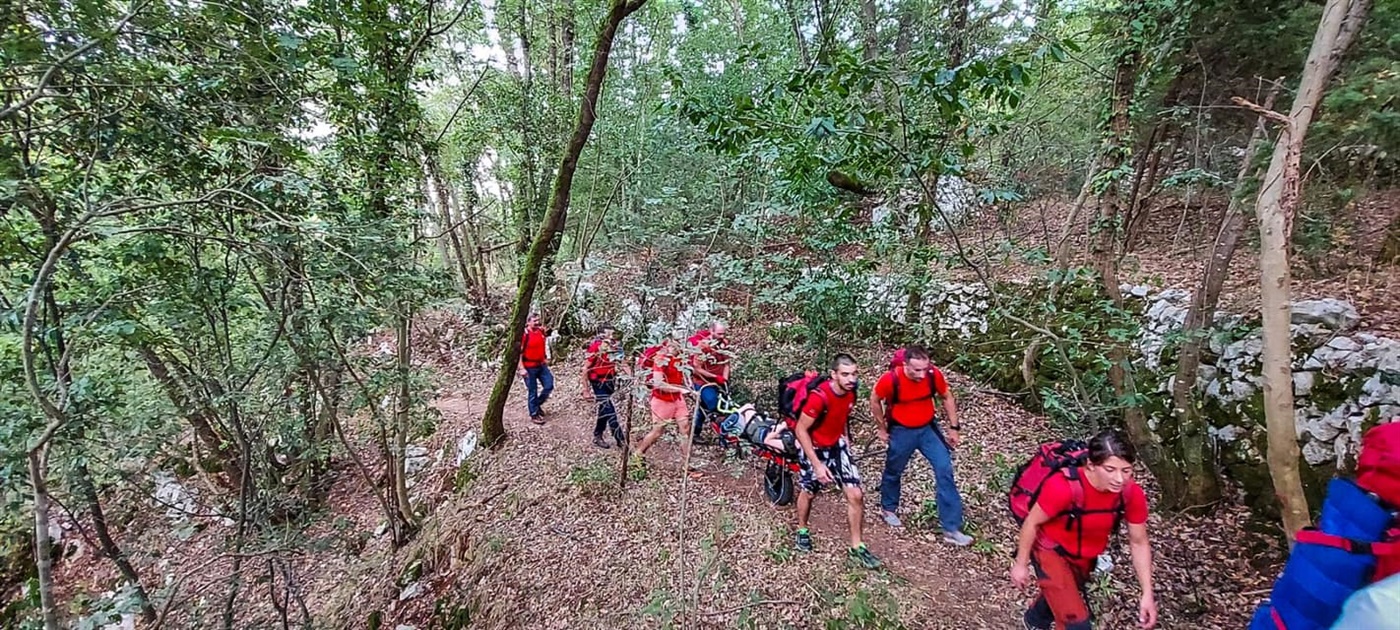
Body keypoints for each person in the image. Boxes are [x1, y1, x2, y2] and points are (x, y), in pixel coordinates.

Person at [1010, 429, 1157, 630]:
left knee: (1063, 592)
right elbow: (1031, 522)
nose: (1119, 479)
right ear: (1091, 466)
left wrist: (1147, 593)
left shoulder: (1130, 494)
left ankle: (1034, 621)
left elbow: (1139, 541)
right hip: (1049, 549)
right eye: (1110, 469)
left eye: (1126, 470)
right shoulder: (1063, 486)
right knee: (1077, 625)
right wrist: (1021, 564)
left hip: (1085, 555)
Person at [868, 345, 973, 546]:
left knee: (944, 469)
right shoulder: (891, 379)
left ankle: (951, 528)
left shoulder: (933, 375)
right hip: (901, 431)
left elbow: (947, 396)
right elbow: (874, 399)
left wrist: (954, 427)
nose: (922, 374)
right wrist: (881, 428)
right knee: (894, 470)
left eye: (925, 369)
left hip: (927, 429)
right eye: (916, 370)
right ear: (905, 365)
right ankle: (888, 508)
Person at [793, 353, 881, 569]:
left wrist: (846, 439)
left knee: (856, 495)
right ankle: (802, 529)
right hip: (813, 448)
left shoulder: (851, 393)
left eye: (854, 374)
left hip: (837, 446)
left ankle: (857, 546)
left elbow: (841, 415)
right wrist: (817, 464)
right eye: (845, 374)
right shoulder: (819, 397)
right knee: (809, 492)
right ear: (834, 375)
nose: (851, 379)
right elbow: (800, 430)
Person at [635, 336, 698, 468]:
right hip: (662, 399)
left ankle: (687, 464)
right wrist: (680, 390)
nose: (675, 349)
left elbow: (685, 375)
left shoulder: (680, 358)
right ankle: (638, 453)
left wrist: (688, 387)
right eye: (672, 346)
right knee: (658, 431)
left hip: (677, 398)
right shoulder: (660, 360)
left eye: (677, 346)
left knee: (685, 428)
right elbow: (658, 384)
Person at [688, 320, 732, 441]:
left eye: (723, 334)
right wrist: (714, 377)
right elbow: (697, 369)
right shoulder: (703, 346)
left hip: (720, 382)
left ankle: (695, 432)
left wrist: (725, 378)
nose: (722, 337)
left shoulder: (724, 344)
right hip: (703, 382)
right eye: (719, 334)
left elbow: (727, 363)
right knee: (713, 406)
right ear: (711, 331)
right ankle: (724, 436)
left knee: (706, 407)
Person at [582, 325, 624, 448]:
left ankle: (597, 435)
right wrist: (586, 390)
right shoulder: (596, 347)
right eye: (609, 335)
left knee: (604, 409)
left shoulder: (616, 347)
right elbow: (585, 368)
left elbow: (623, 363)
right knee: (610, 411)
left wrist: (631, 377)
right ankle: (620, 439)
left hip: (610, 381)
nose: (612, 337)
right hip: (598, 383)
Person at [517, 313, 554, 425]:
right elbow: (518, 353)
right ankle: (534, 414)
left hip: (541, 365)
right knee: (532, 391)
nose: (537, 322)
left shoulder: (541, 331)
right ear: (528, 322)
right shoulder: (524, 335)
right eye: (534, 321)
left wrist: (546, 357)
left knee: (549, 385)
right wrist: (521, 368)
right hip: (529, 367)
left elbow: (544, 341)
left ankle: (536, 404)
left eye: (538, 320)